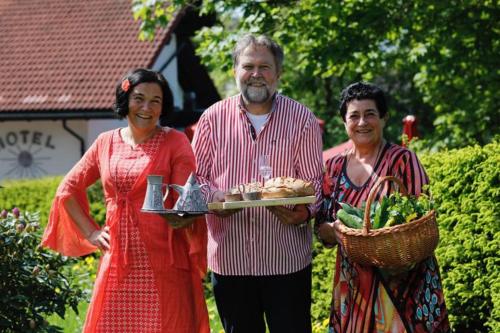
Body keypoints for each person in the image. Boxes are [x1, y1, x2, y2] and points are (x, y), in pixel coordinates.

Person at [41, 68, 209, 333]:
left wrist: (184, 216)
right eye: (139, 98)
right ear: (125, 100)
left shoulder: (175, 142)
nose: (146, 107)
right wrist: (92, 232)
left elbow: (187, 197)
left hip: (165, 262)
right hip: (118, 262)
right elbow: (67, 190)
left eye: (156, 101)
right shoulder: (104, 142)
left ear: (163, 107)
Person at [192, 34, 323, 333]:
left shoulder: (301, 119)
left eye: (265, 67)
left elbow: (315, 182)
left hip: (286, 260)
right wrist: (219, 199)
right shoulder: (212, 118)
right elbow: (196, 179)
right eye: (248, 65)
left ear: (278, 73)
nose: (256, 74)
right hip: (230, 260)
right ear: (235, 70)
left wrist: (304, 213)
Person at [316, 82, 450, 332]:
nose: (362, 122)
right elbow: (320, 228)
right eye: (354, 116)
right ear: (344, 122)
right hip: (355, 288)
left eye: (370, 114)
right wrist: (334, 230)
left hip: (407, 287)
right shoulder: (333, 168)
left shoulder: (402, 160)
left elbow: (423, 217)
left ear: (384, 118)